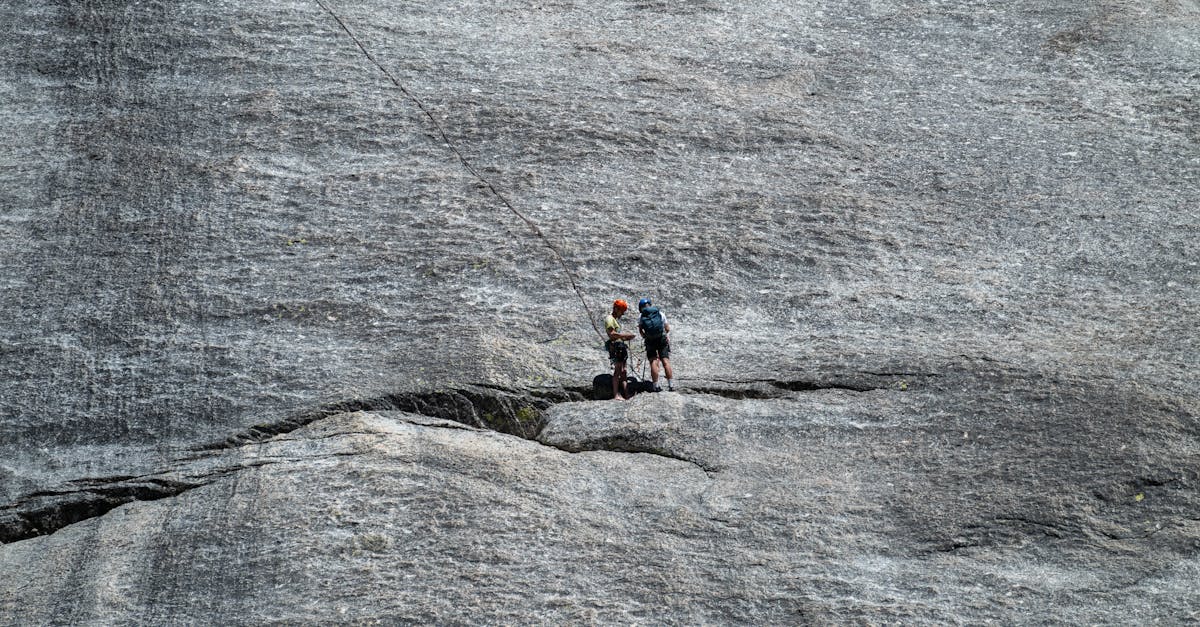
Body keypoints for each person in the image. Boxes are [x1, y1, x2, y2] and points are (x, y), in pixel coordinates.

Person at [637, 298, 674, 391]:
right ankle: (671, 385)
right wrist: (665, 335)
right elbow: (667, 328)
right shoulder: (659, 313)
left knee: (653, 361)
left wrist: (646, 336)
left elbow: (641, 331)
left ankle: (655, 386)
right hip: (661, 339)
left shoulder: (641, 316)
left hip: (650, 340)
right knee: (665, 361)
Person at [604, 299, 636, 400]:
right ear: (616, 309)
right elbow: (612, 334)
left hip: (620, 347)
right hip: (616, 348)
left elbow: (617, 336)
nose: (622, 314)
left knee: (623, 371)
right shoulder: (609, 319)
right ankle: (616, 394)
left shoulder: (614, 320)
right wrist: (625, 335)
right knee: (618, 371)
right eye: (622, 311)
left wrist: (626, 338)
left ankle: (626, 393)